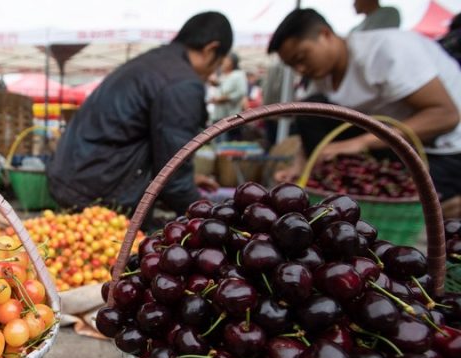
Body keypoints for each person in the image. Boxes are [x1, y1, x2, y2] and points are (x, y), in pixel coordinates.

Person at [268, 8, 461, 213]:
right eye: (293, 65)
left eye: (302, 57)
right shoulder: (323, 77)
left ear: (325, 35)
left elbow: (446, 115)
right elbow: (312, 122)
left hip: (443, 153)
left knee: (410, 203)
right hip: (392, 149)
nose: (301, 70)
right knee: (311, 109)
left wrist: (358, 144)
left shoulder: (387, 49)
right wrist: (300, 167)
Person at [47, 12, 229, 218]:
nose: (213, 72)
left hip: (75, 176)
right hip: (97, 190)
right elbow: (174, 179)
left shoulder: (153, 63)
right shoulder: (181, 83)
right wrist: (212, 220)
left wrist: (188, 179)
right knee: (125, 246)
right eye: (218, 63)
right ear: (210, 50)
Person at [210, 53, 248, 138]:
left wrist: (227, 98)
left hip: (231, 115)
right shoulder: (223, 75)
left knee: (229, 142)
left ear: (232, 62)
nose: (223, 62)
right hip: (219, 114)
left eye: (226, 60)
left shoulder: (238, 75)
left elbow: (241, 92)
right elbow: (221, 86)